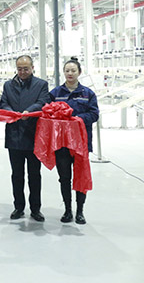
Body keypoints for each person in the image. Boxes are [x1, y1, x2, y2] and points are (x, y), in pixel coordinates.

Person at [49, 57, 99, 225]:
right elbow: (47, 113)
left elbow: (94, 114)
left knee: (81, 177)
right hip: (62, 143)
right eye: (67, 71)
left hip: (81, 143)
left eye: (73, 71)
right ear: (64, 72)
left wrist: (77, 119)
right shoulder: (56, 94)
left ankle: (80, 212)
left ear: (79, 72)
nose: (70, 73)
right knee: (64, 178)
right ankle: (68, 210)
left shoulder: (87, 94)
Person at [0, 55, 49, 222]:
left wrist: (30, 111)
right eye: (19, 69)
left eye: (26, 69)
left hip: (33, 135)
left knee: (34, 175)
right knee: (17, 175)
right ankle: (18, 207)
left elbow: (43, 102)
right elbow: (3, 103)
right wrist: (11, 113)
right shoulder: (8, 85)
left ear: (32, 68)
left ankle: (36, 209)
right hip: (14, 136)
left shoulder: (41, 85)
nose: (22, 72)